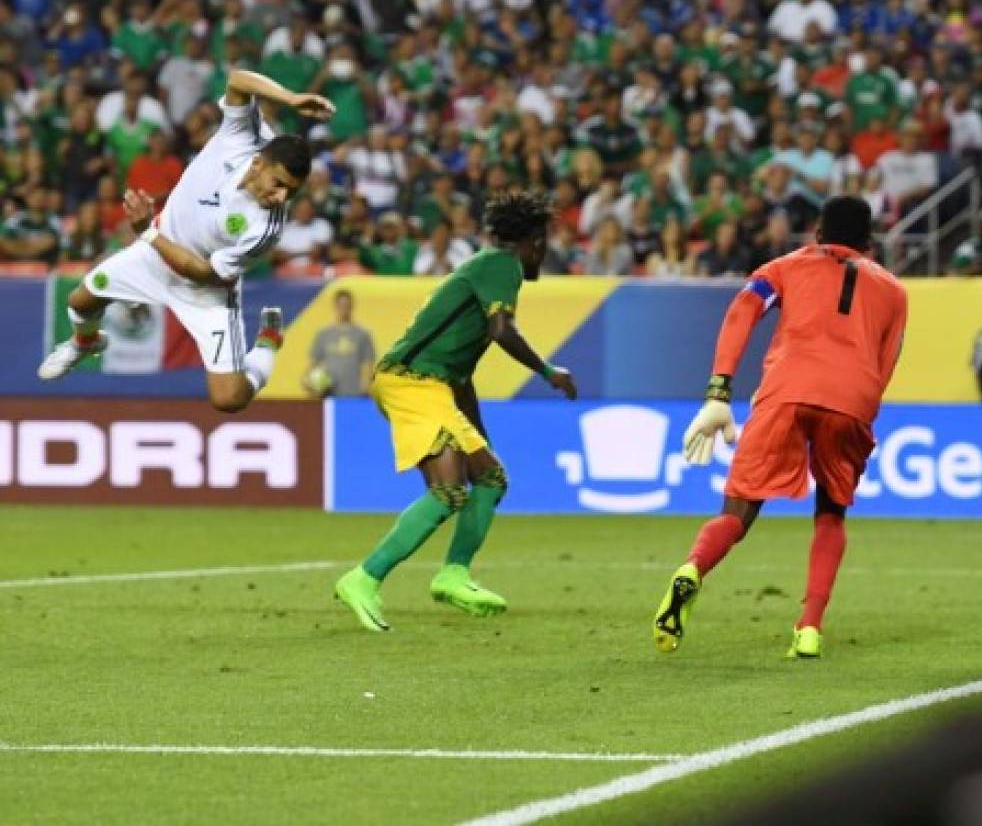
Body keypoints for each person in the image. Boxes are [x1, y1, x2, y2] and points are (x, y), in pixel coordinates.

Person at [652, 196, 907, 659]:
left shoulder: (783, 268)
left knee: (737, 510)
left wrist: (719, 390)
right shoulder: (894, 290)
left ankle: (693, 569)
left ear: (816, 233)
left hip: (786, 388)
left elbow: (741, 313)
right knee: (831, 511)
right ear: (870, 243)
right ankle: (808, 628)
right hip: (853, 398)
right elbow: (887, 362)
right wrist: (859, 407)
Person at [334, 191, 578, 633]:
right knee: (448, 491)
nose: (546, 250)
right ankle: (364, 578)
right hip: (410, 381)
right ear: (533, 241)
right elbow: (503, 330)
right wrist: (548, 371)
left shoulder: (485, 275)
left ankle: (453, 575)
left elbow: (461, 376)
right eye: (544, 241)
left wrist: (478, 438)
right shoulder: (501, 266)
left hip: (435, 387)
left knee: (489, 477)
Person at [37, 69, 336, 413]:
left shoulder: (264, 228)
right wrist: (291, 98)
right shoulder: (242, 136)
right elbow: (238, 79)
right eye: (279, 183)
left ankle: (268, 345)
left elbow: (204, 273)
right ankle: (86, 342)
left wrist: (148, 232)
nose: (282, 196)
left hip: (205, 291)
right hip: (155, 255)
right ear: (257, 163)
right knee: (80, 301)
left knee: (229, 399)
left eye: (292, 192)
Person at [305, 289, 376, 397]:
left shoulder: (362, 334)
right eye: (341, 305)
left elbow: (369, 364)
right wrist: (309, 381)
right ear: (335, 306)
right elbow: (312, 364)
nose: (344, 309)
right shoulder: (324, 334)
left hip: (354, 395)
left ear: (352, 306)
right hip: (329, 395)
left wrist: (367, 385)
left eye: (346, 305)